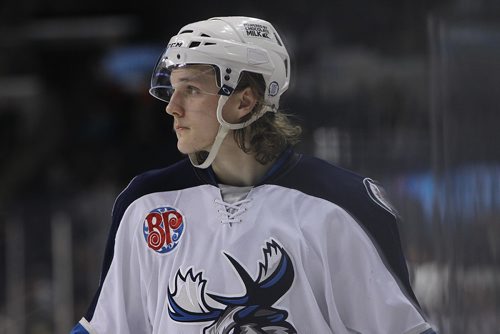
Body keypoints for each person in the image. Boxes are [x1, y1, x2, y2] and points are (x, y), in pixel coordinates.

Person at [71, 16, 437, 334]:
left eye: (192, 90)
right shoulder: (146, 202)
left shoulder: (346, 204)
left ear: (245, 101)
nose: (172, 107)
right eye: (173, 88)